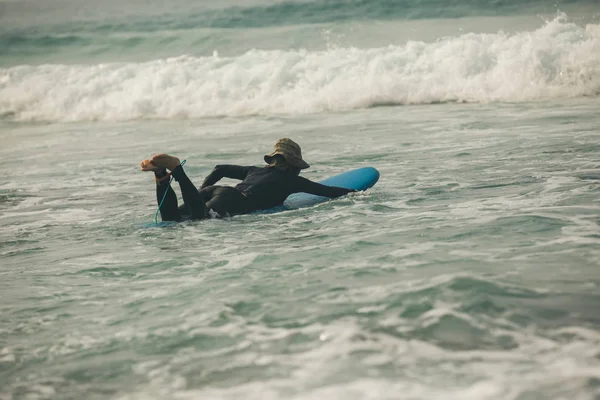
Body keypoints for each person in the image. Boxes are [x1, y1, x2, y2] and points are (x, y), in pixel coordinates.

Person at [140, 138, 356, 221]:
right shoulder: (292, 181)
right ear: (293, 165)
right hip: (234, 199)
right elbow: (327, 192)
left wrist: (199, 194)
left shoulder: (254, 170)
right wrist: (357, 195)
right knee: (199, 217)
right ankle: (176, 169)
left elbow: (220, 168)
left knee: (170, 218)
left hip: (217, 191)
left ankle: (161, 176)